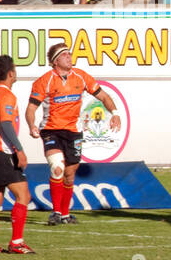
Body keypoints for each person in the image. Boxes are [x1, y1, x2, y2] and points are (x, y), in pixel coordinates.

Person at [26, 42, 122, 224]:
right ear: (55, 61)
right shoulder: (44, 81)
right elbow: (30, 109)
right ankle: (55, 213)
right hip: (51, 130)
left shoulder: (81, 77)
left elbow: (103, 96)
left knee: (69, 174)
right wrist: (32, 125)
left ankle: (64, 214)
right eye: (65, 55)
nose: (70, 57)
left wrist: (115, 113)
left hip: (73, 131)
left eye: (70, 54)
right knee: (57, 168)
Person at [0, 55, 33, 254]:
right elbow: (5, 124)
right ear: (11, 73)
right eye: (16, 69)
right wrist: (19, 150)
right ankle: (17, 242)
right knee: (23, 195)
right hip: (2, 154)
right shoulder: (6, 95)